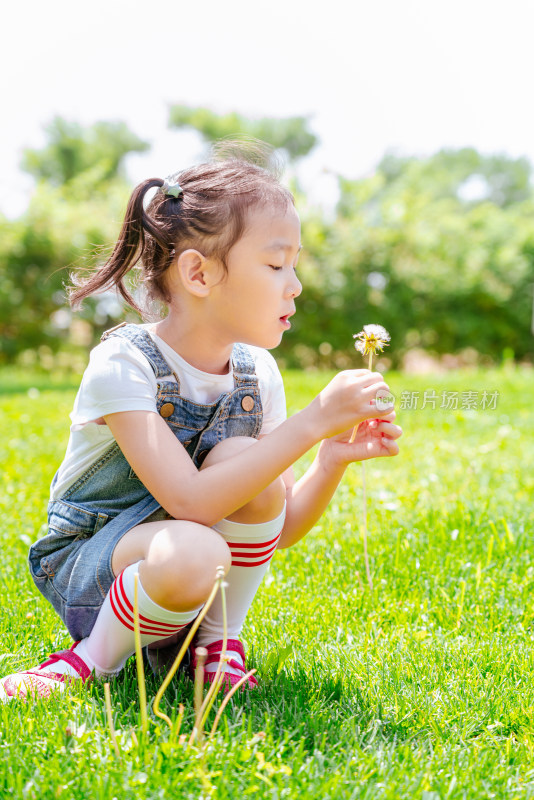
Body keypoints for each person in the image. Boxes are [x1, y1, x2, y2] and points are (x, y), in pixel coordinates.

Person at [0, 152, 402, 701]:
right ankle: (89, 659)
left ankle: (217, 646)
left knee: (240, 469)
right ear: (199, 273)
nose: (296, 285)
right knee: (196, 547)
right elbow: (190, 503)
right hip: (96, 572)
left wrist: (328, 455)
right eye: (276, 263)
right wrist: (310, 423)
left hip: (192, 581)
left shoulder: (257, 373)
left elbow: (275, 526)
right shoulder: (126, 364)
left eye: (294, 264)